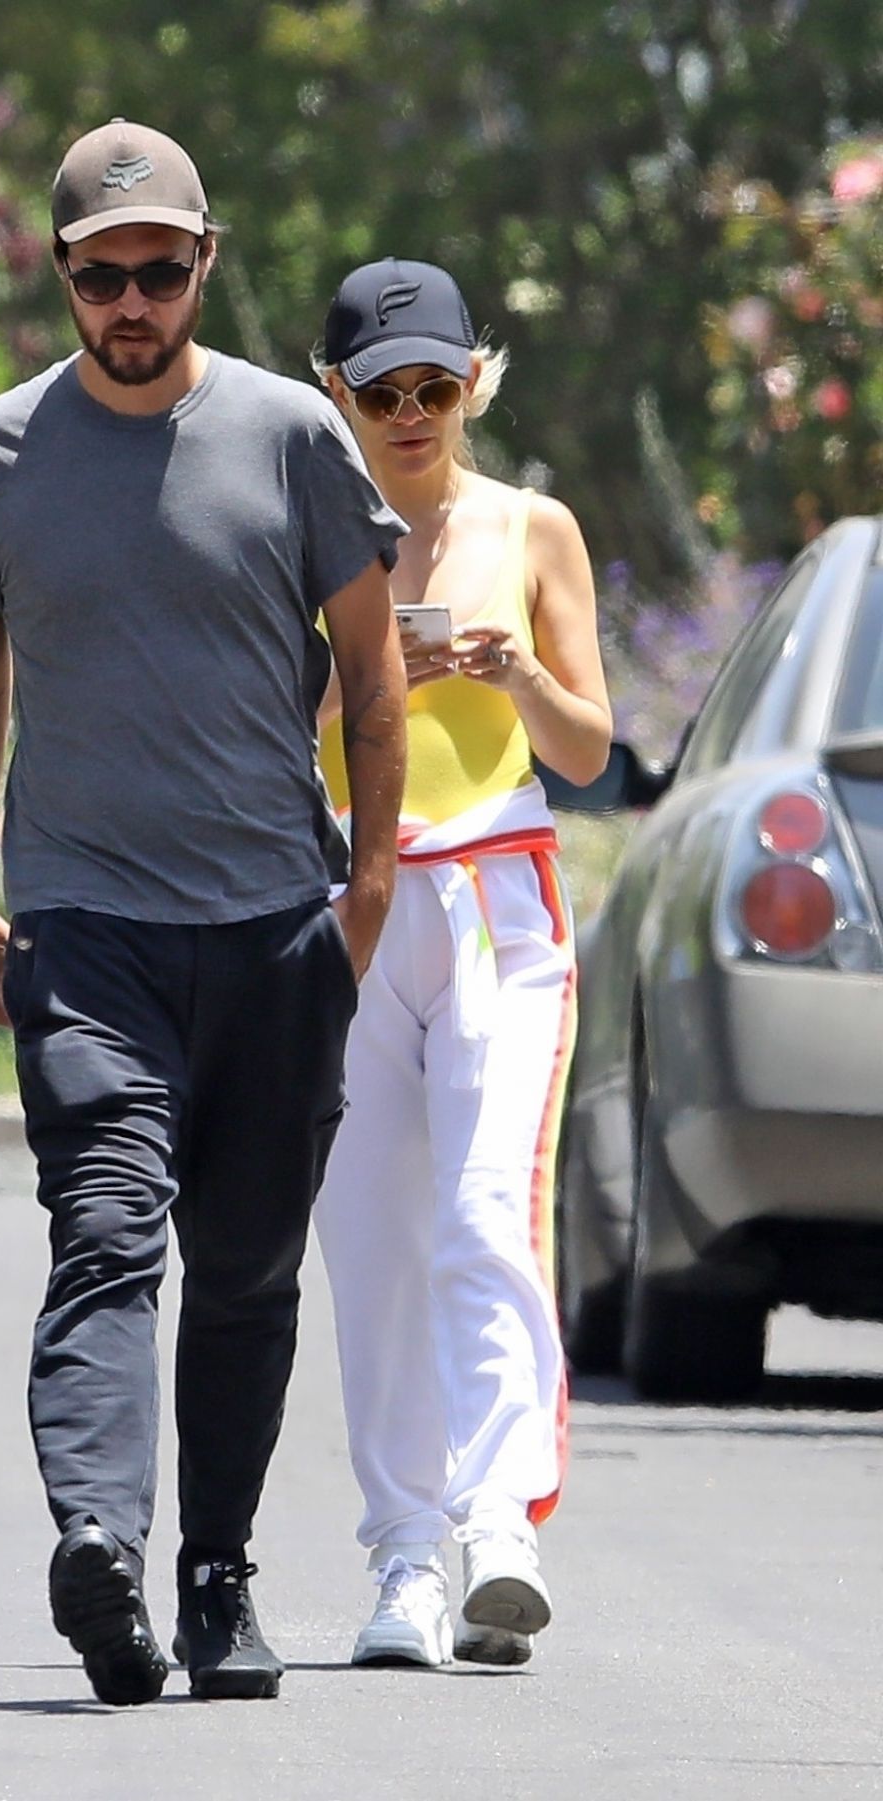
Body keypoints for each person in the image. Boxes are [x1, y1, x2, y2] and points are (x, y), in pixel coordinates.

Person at [0, 122, 407, 1706]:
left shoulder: (296, 437)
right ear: (62, 275)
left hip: (273, 925)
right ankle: (102, 1543)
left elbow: (374, 673)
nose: (132, 302)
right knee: (107, 1232)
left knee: (248, 1268)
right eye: (101, 276)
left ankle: (217, 1574)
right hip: (86, 929)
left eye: (161, 271)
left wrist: (369, 889)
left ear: (205, 262)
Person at [312, 258, 612, 1670]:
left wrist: (511, 673)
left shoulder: (532, 529)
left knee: (488, 1207)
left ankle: (500, 1523)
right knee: (370, 1240)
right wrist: (369, 676)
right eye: (383, 392)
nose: (411, 414)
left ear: (475, 383)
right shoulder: (308, 530)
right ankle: (403, 1556)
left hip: (499, 895)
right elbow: (260, 727)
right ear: (338, 397)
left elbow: (589, 747)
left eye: (435, 386)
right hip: (354, 898)